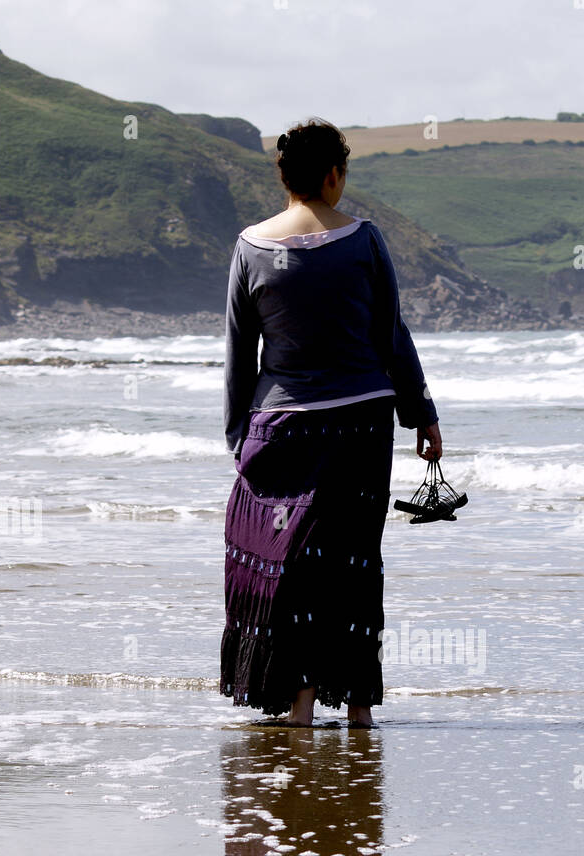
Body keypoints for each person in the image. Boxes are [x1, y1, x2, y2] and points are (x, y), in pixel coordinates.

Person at [221, 117, 442, 728]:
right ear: (333, 175)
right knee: (352, 561)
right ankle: (361, 708)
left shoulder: (250, 247)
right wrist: (421, 414)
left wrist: (239, 436)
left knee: (286, 563)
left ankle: (298, 701)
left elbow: (242, 352)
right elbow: (389, 333)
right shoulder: (364, 239)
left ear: (285, 176)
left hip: (282, 424)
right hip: (359, 424)